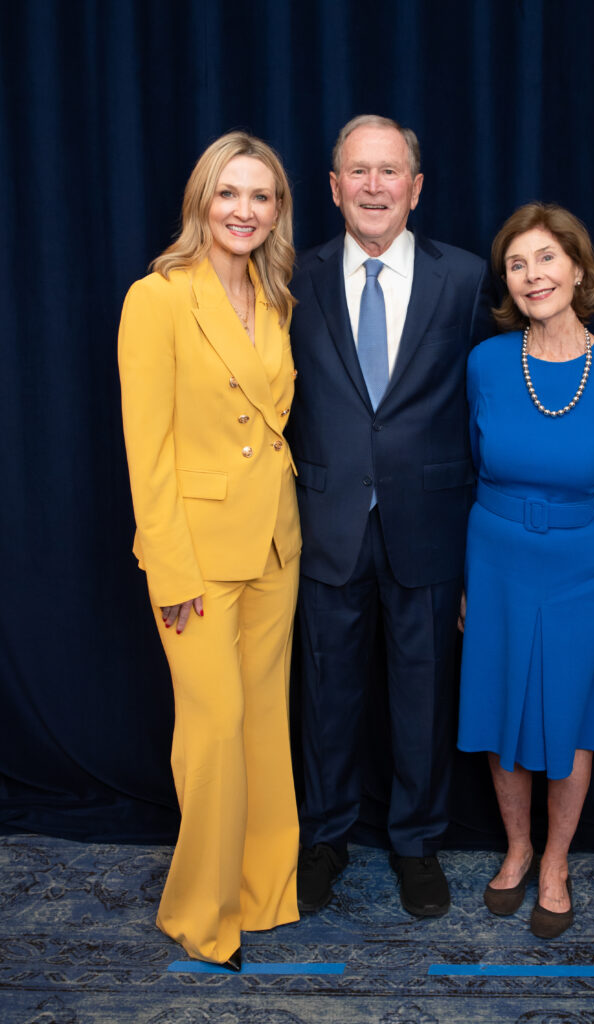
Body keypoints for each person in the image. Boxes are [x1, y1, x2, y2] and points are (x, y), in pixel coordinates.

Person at [287, 117, 594, 918]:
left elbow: (512, 380)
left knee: (421, 696)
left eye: (389, 171)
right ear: (334, 188)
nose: (373, 186)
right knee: (326, 697)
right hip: (325, 524)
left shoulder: (466, 276)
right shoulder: (291, 280)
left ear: (416, 186)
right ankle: (324, 838)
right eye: (357, 173)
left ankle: (415, 843)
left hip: (433, 527)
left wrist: (591, 455)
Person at [118, 131, 301, 970]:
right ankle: (199, 913)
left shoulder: (276, 298)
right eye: (229, 193)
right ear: (200, 201)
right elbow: (145, 450)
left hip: (273, 540)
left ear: (278, 211)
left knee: (263, 726)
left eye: (260, 197)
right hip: (194, 550)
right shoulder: (156, 298)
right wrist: (170, 564)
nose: (244, 211)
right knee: (214, 729)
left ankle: (262, 894)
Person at [458, 202, 594, 938]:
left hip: (584, 569)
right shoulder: (485, 362)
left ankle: (555, 863)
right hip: (498, 558)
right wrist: (466, 582)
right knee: (502, 715)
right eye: (516, 264)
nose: (531, 275)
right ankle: (515, 851)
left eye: (545, 259)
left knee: (568, 720)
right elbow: (472, 470)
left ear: (577, 269)